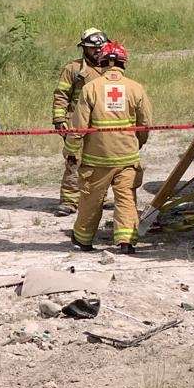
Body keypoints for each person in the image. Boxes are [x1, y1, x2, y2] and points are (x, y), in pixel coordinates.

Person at [68, 42, 152, 254]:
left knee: (91, 199)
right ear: (123, 63)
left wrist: (71, 151)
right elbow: (145, 124)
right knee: (126, 198)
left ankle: (83, 240)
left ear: (102, 62)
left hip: (97, 159)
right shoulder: (135, 88)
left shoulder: (90, 88)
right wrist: (138, 142)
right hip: (127, 157)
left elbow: (78, 126)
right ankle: (125, 242)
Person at [52, 28, 107, 217]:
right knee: (74, 160)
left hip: (103, 122)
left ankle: (100, 197)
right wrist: (60, 119)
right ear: (84, 48)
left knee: (102, 161)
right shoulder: (73, 69)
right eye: (93, 48)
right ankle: (69, 201)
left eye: (101, 47)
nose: (98, 51)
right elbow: (61, 95)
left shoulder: (111, 68)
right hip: (77, 121)